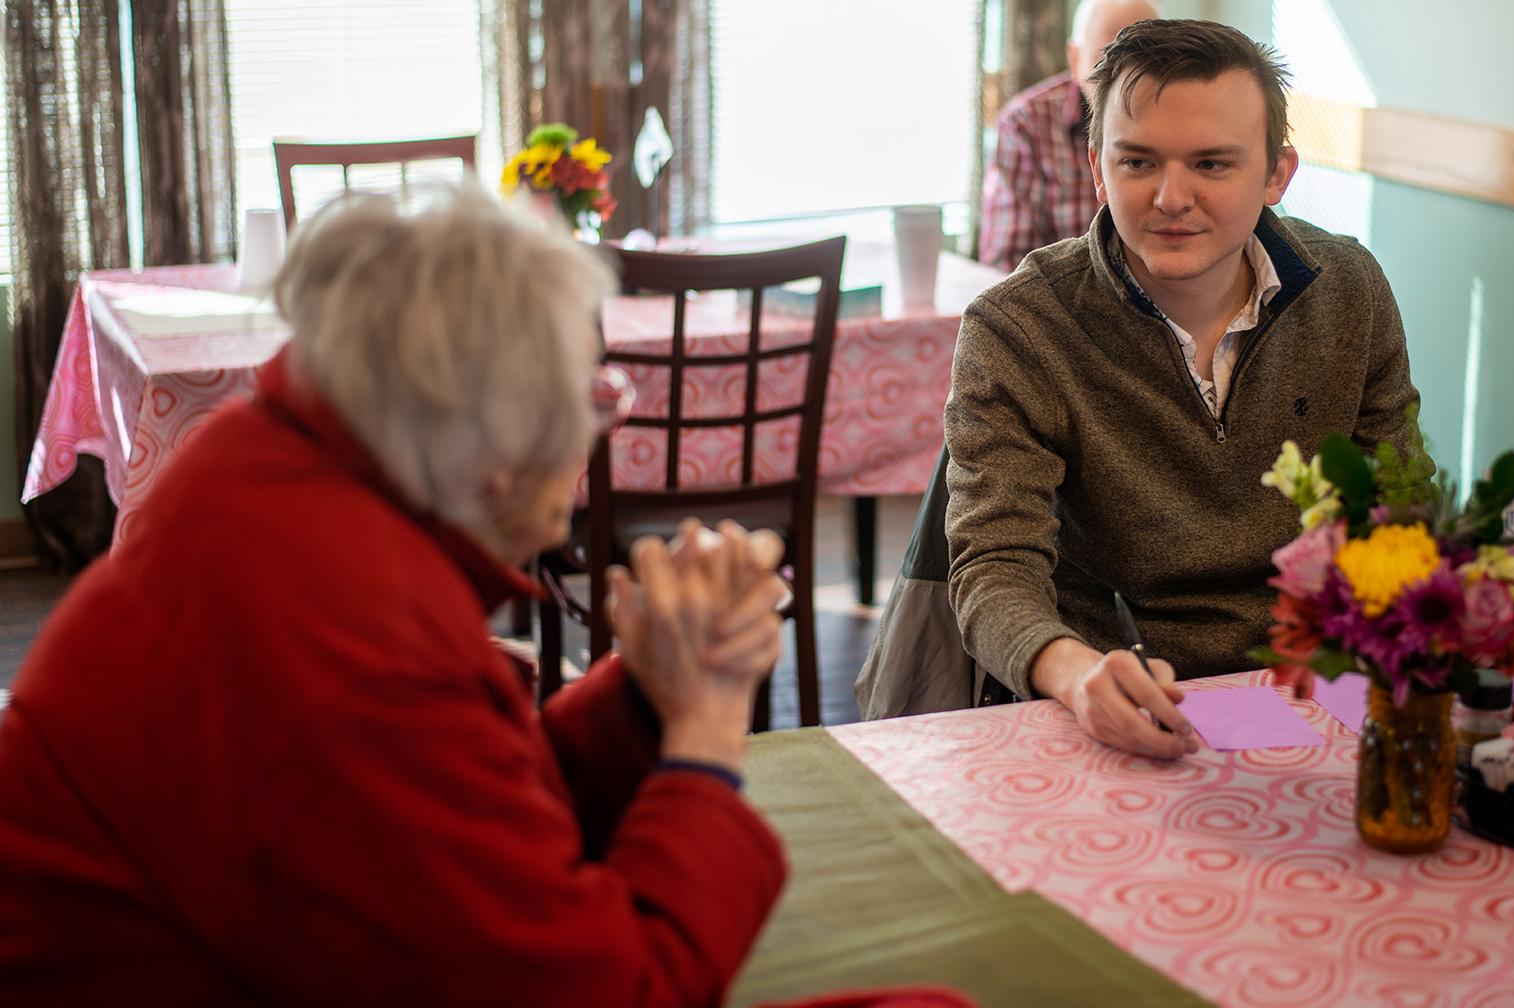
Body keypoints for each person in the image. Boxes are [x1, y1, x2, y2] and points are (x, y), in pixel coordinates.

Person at [0, 187, 968, 1008]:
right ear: (499, 447)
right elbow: (614, 991)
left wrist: (649, 690)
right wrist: (710, 731)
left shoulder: (255, 466)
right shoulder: (355, 642)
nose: (592, 438)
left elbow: (457, 795)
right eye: (588, 403)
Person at [944, 20, 1430, 758]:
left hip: (1317, 688)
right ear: (1098, 170)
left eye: (1211, 164)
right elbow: (992, 567)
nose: (1172, 197)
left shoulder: (1349, 292)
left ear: (1277, 174)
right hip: (1115, 696)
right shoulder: (1019, 326)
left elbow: (1399, 509)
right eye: (1138, 162)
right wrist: (1075, 675)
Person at [978, 0, 1158, 271]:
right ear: (1075, 58)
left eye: (1146, 61)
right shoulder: (1026, 123)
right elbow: (1008, 267)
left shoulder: (1187, 120)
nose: (1127, 80)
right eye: (1110, 61)